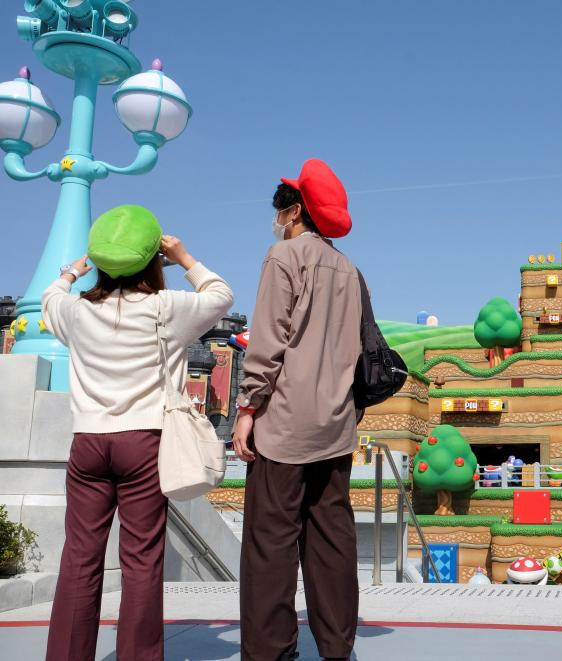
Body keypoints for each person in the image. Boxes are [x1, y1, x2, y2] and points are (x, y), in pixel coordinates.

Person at [42, 205, 234, 661]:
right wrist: (185, 258)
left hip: (88, 442)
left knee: (80, 559)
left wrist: (71, 273)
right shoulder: (165, 308)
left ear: (101, 261)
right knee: (142, 560)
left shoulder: (74, 311)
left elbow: (50, 299)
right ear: (152, 260)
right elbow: (220, 294)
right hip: (144, 442)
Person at [233, 159, 361, 661]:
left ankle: (271, 652)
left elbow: (267, 342)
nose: (277, 219)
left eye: (281, 210)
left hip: (283, 424)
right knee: (332, 540)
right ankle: (336, 647)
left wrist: (248, 406)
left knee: (270, 543)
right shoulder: (350, 270)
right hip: (335, 426)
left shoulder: (283, 257)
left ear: (295, 210)